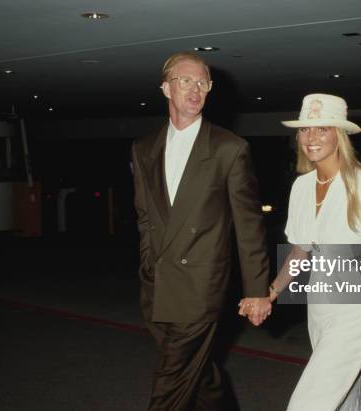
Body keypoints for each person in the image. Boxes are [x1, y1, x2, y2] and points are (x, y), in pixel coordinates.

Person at [241, 94, 361, 410]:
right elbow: (299, 253)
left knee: (309, 403)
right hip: (319, 306)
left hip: (358, 308)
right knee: (346, 397)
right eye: (306, 130)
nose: (312, 138)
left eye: (323, 129)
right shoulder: (302, 186)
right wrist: (270, 292)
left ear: (340, 135)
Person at [131, 51, 272, 411]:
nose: (195, 90)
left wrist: (257, 290)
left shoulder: (229, 149)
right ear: (166, 88)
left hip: (201, 286)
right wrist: (148, 265)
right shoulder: (144, 149)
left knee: (171, 381)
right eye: (185, 81)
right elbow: (145, 216)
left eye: (202, 83)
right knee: (199, 372)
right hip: (158, 283)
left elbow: (249, 225)